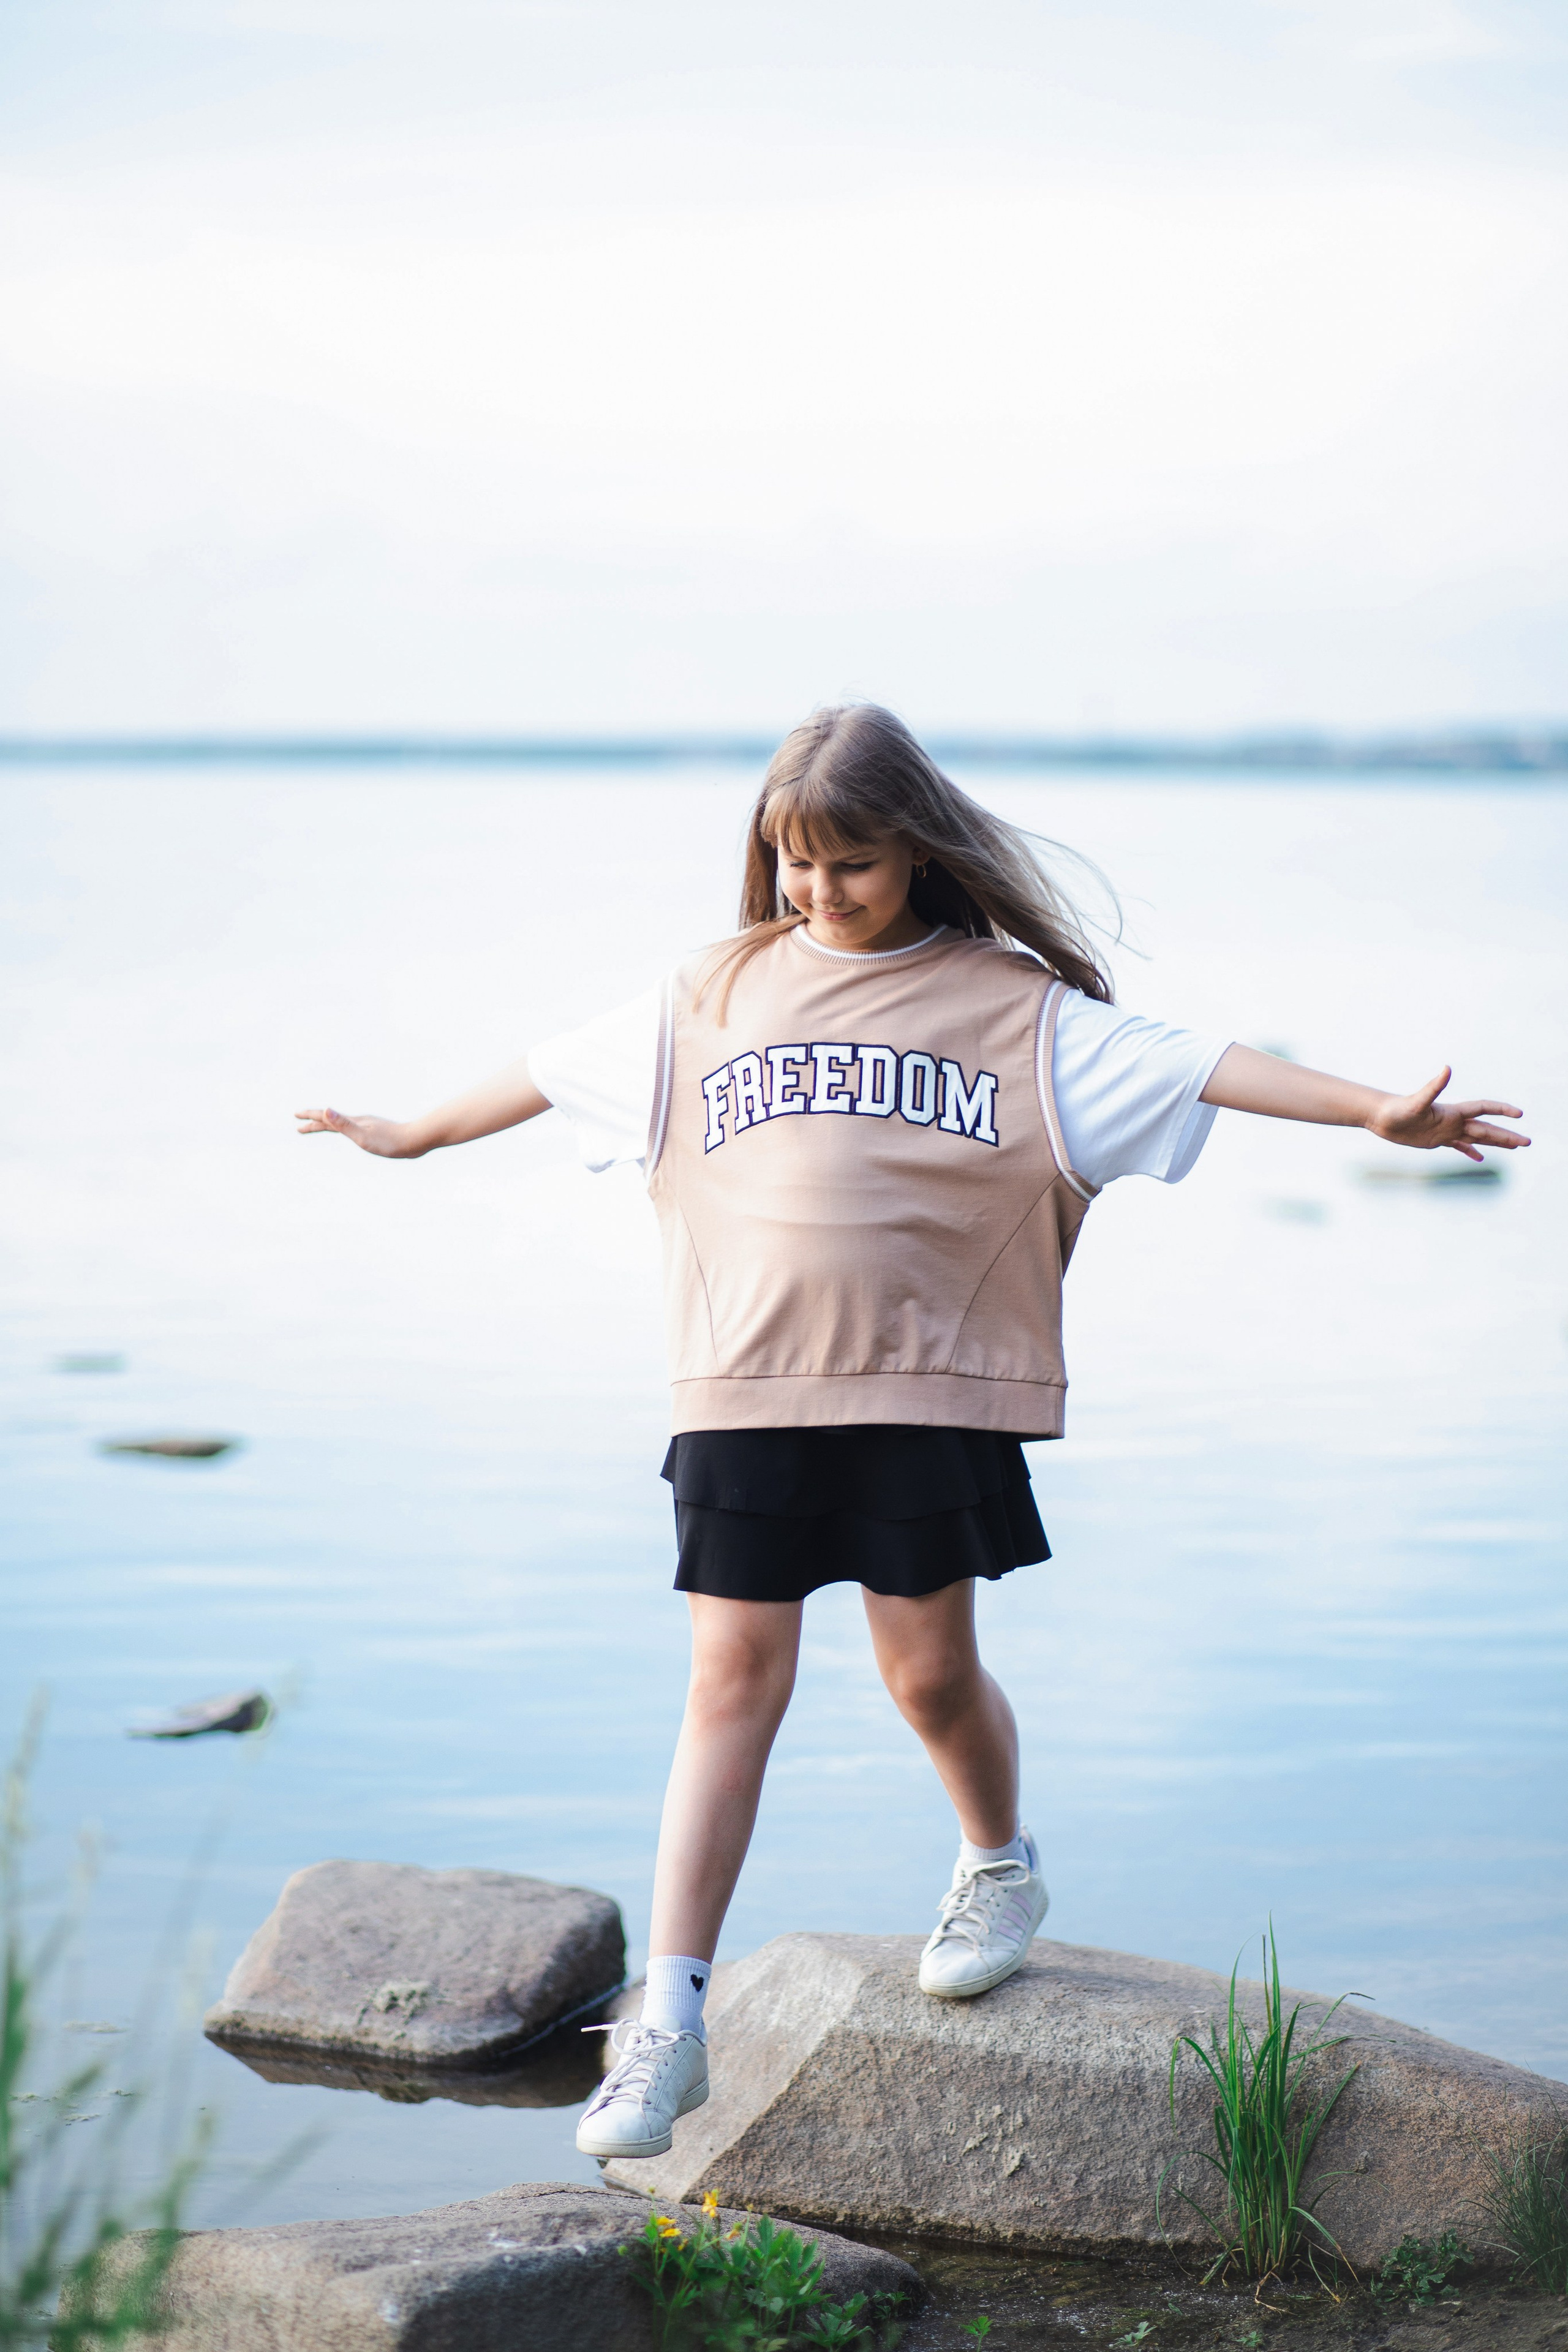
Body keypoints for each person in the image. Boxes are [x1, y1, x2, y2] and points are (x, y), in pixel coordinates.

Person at [296, 703, 1529, 2163]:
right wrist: (415, 1134)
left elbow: (1200, 1063)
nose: (821, 892)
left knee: (927, 1674)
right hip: (744, 1388)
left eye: (854, 865)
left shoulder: (1006, 1007)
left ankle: (996, 1864)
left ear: (919, 854)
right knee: (727, 1684)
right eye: (796, 862)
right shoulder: (708, 992)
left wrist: (1371, 1114)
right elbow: (541, 1070)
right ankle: (670, 2023)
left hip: (927, 1390)